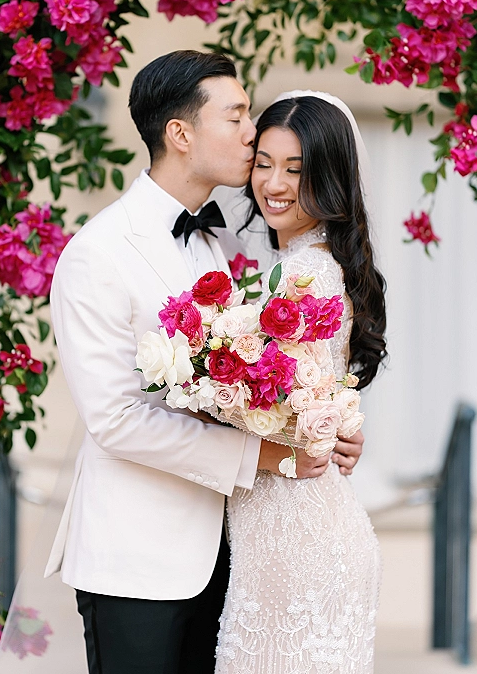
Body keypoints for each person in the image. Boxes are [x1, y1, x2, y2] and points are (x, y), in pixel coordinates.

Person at [42, 53, 365, 674]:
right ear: (182, 135)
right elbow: (116, 420)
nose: (252, 131)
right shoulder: (98, 254)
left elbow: (284, 360)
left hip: (233, 559)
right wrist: (271, 456)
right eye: (237, 115)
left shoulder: (223, 241)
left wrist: (330, 418)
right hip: (139, 564)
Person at [215, 92, 387, 674]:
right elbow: (310, 398)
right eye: (264, 163)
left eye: (297, 169)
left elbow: (265, 402)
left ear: (330, 178)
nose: (275, 183)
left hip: (298, 541)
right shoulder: (294, 266)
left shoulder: (304, 274)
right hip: (292, 528)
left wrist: (196, 383)